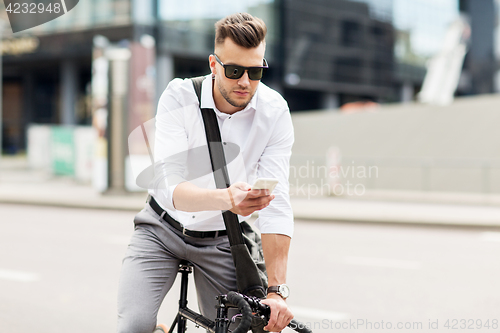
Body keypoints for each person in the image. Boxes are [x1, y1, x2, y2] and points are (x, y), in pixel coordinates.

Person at [117, 12, 295, 333]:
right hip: (161, 230)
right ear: (214, 65)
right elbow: (169, 187)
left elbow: (277, 203)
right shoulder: (179, 96)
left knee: (239, 329)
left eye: (255, 71)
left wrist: (276, 291)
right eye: (234, 70)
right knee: (133, 327)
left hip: (224, 240)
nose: (245, 81)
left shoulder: (275, 111)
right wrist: (227, 198)